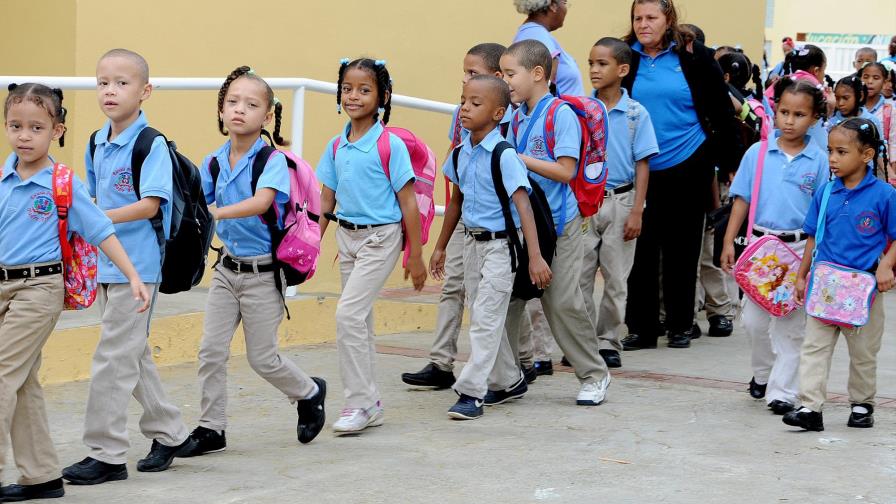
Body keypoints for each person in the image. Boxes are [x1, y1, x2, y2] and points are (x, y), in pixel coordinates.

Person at [0, 83, 150, 502]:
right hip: (2, 285)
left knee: (1, 373)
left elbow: (101, 230)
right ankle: (42, 476)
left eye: (35, 127)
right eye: (15, 126)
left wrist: (133, 275)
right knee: (22, 379)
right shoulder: (2, 179)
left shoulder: (64, 184)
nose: (24, 135)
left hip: (40, 289)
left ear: (57, 130)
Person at [63, 49, 194, 486]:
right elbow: (91, 203)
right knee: (130, 353)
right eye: (103, 82)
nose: (110, 91)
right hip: (106, 265)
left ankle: (106, 453)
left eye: (121, 83)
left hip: (140, 267)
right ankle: (170, 431)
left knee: (112, 359)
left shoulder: (150, 143)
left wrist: (98, 217)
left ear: (145, 91)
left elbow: (150, 204)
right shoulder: (97, 142)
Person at [183, 66, 327, 458]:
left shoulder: (271, 161)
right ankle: (212, 427)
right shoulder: (213, 162)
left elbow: (263, 202)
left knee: (262, 357)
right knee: (210, 350)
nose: (239, 110)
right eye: (231, 102)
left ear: (266, 116)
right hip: (228, 270)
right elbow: (198, 204)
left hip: (264, 273)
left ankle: (309, 392)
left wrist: (215, 213)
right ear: (220, 111)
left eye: (250, 104)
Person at [488, 39, 612, 407]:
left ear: (538, 74)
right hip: (525, 226)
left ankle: (594, 374)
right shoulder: (518, 116)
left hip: (561, 225)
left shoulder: (560, 115)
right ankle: (507, 377)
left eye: (511, 74)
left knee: (561, 302)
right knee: (509, 302)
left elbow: (565, 170)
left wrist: (516, 157)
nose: (505, 81)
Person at [620, 0, 739, 351]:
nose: (644, 24)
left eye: (651, 17)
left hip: (689, 163)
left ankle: (680, 325)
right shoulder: (627, 55)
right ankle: (641, 328)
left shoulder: (694, 56)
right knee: (641, 249)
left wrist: (729, 162)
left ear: (668, 19)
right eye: (638, 18)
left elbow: (721, 110)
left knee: (683, 249)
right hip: (640, 168)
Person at [317, 58, 426, 435]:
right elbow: (326, 201)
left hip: (381, 237)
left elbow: (408, 202)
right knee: (358, 319)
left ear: (382, 97)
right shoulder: (335, 146)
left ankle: (358, 403)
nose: (354, 96)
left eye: (364, 89)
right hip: (346, 237)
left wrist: (415, 255)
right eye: (347, 88)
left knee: (347, 315)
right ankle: (370, 403)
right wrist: (310, 244)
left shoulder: (388, 145)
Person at [432, 75, 550, 420]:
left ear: (499, 112)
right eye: (464, 101)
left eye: (476, 103)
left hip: (502, 248)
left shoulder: (504, 154)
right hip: (471, 244)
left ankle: (471, 392)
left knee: (485, 318)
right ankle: (509, 381)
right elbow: (455, 202)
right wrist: (440, 247)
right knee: (483, 317)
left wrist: (535, 256)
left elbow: (523, 204)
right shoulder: (460, 153)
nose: (465, 109)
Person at [402, 42, 508, 389]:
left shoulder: (506, 119)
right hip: (465, 216)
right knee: (453, 286)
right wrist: (442, 240)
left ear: (495, 77)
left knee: (495, 300)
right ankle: (441, 362)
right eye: (464, 73)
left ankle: (515, 366)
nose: (464, 80)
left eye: (472, 72)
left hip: (498, 225)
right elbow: (456, 164)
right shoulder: (459, 113)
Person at [722, 78, 829, 415]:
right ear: (774, 110)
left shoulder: (819, 160)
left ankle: (782, 391)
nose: (789, 120)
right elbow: (741, 199)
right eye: (784, 111)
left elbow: (821, 212)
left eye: (799, 114)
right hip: (760, 248)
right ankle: (763, 372)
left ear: (813, 119)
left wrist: (813, 260)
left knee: (791, 326)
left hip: (798, 251)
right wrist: (729, 240)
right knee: (753, 323)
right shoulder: (758, 152)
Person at [784, 118, 896, 432]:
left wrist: (886, 264)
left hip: (864, 290)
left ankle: (862, 403)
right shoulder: (825, 193)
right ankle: (810, 407)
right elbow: (812, 236)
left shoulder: (884, 195)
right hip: (825, 286)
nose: (832, 158)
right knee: (814, 347)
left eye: (841, 152)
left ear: (867, 155)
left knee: (863, 352)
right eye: (830, 150)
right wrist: (802, 275)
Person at [580, 37, 657, 368]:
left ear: (622, 70)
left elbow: (643, 163)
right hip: (586, 204)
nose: (595, 70)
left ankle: (608, 339)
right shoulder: (581, 109)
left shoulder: (636, 114)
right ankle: (581, 342)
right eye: (592, 64)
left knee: (615, 278)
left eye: (602, 64)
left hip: (621, 201)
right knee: (579, 276)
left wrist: (637, 209)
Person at [512, 0, 585, 96]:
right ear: (553, 5)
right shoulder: (536, 34)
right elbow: (543, 89)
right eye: (564, 3)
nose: (565, 8)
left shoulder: (532, 33)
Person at [860, 62, 896, 180]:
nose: (870, 81)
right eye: (866, 77)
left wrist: (891, 176)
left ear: (885, 82)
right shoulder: (852, 108)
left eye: (876, 78)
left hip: (879, 172)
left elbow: (893, 144)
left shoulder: (890, 111)